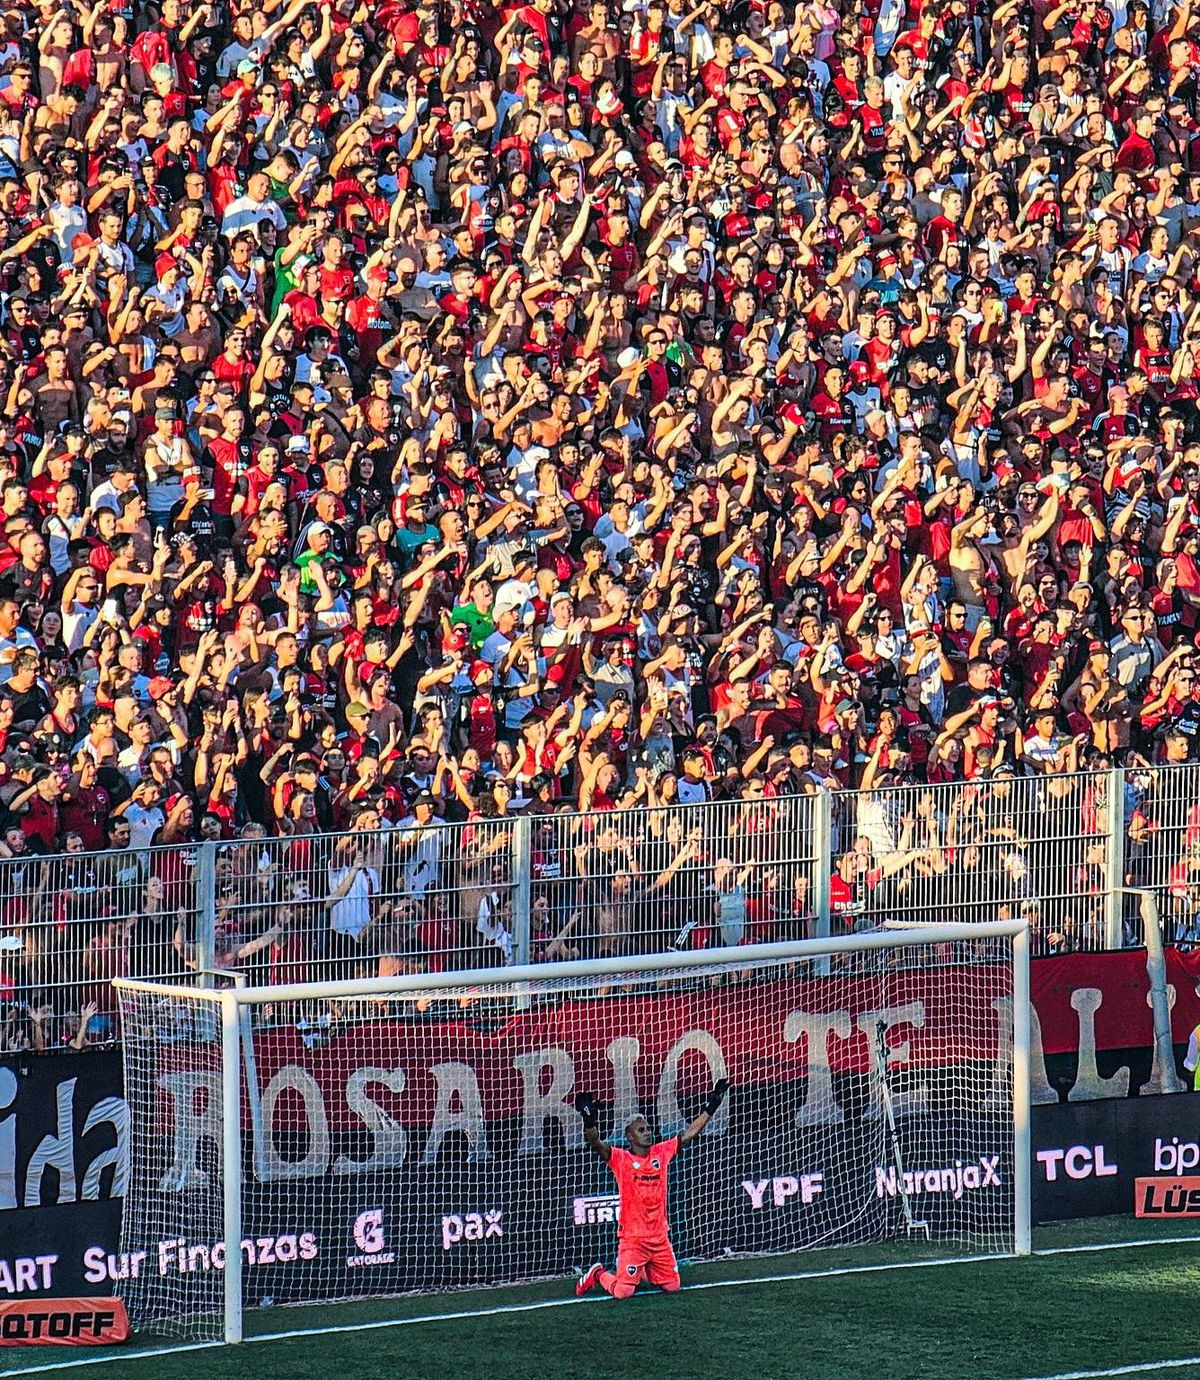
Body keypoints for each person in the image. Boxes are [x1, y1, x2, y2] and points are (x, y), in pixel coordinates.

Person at [574, 1079, 729, 1299]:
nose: (648, 1133)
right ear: (630, 1136)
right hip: (633, 1239)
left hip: (659, 1238)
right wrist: (588, 1118)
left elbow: (690, 1133)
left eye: (648, 1129)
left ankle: (636, 1269)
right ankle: (598, 1274)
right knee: (623, 1292)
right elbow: (595, 1142)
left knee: (673, 1286)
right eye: (641, 1130)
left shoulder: (661, 1152)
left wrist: (713, 1104)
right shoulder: (620, 1158)